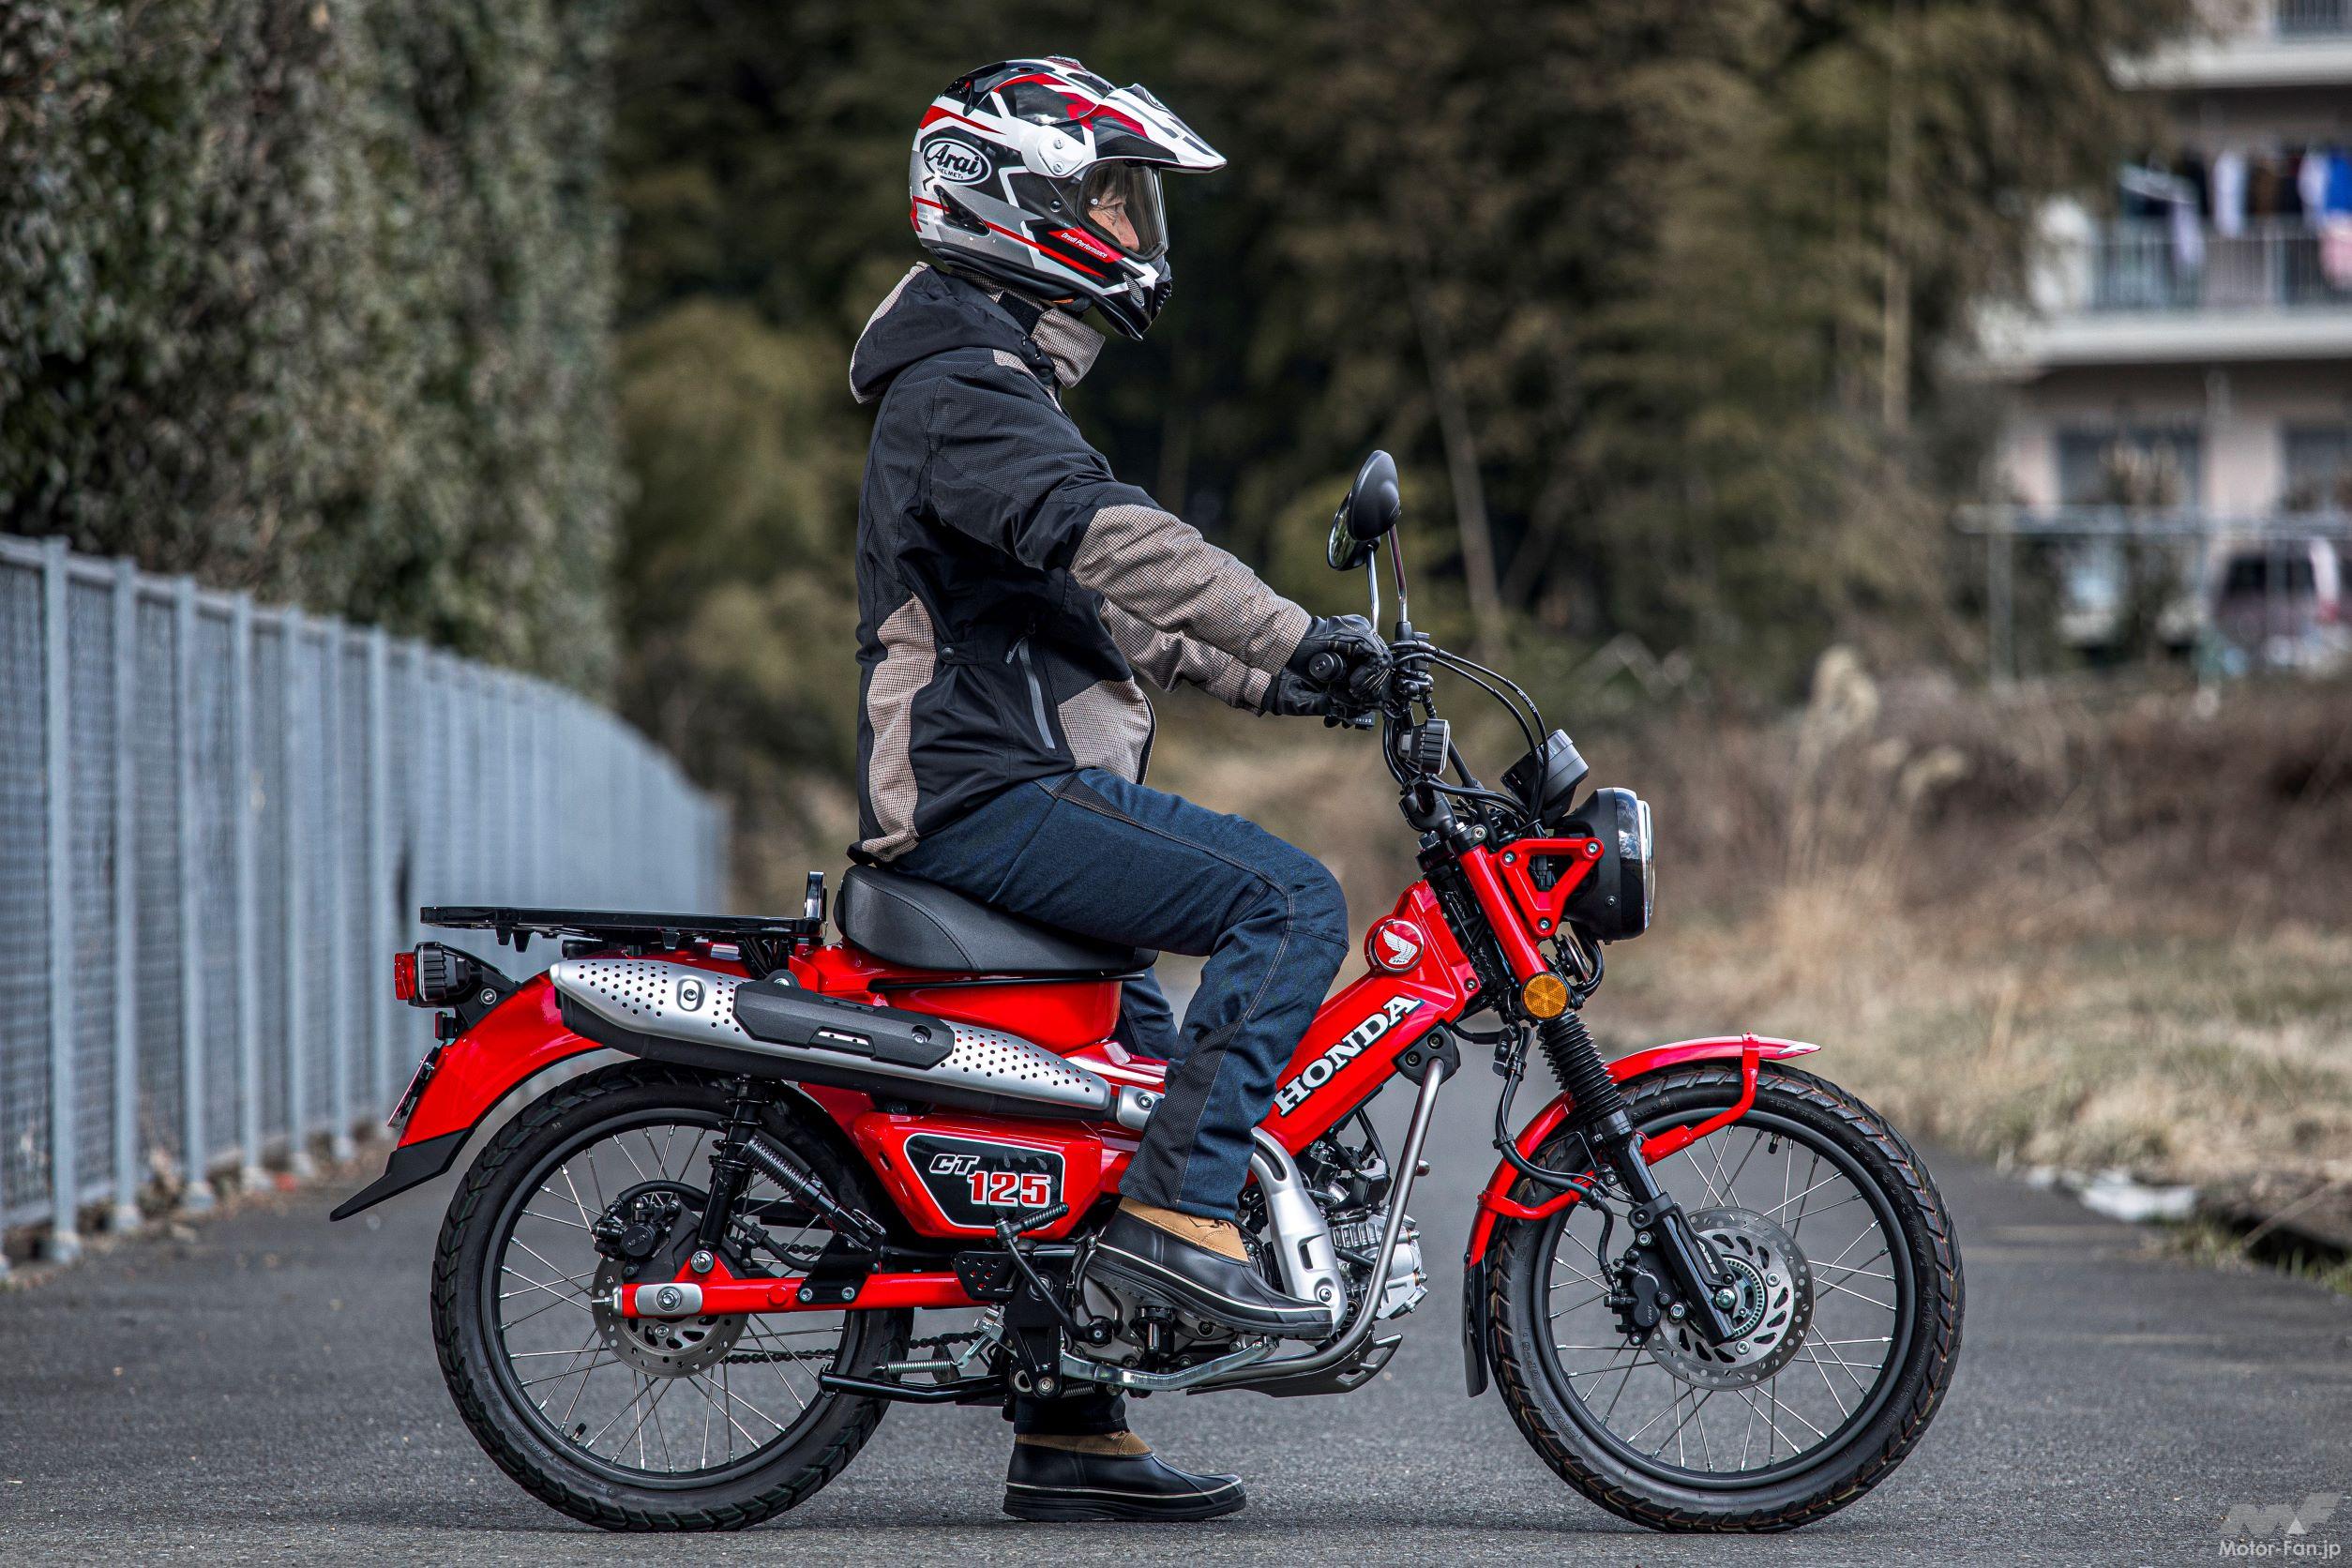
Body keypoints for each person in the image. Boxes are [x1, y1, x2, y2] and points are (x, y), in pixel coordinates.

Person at [846, 57, 1388, 1522]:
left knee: (1125, 1108)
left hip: (1006, 783)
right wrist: (1297, 629)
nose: (1131, 228)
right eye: (1104, 196)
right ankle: (1177, 1227)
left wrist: (1299, 682)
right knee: (1290, 900)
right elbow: (1121, 545)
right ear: (1009, 201)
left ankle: (1072, 1432)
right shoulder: (965, 391)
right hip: (983, 793)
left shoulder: (986, 378)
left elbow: (1112, 618)